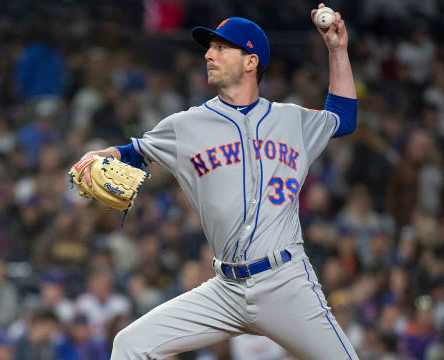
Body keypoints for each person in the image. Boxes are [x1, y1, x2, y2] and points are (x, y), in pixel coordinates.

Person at [72, 4, 359, 359]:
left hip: (285, 282)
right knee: (130, 345)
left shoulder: (292, 120)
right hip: (226, 289)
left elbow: (343, 118)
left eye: (222, 47)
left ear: (251, 61)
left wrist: (337, 49)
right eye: (210, 47)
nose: (209, 54)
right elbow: (134, 151)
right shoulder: (186, 125)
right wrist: (102, 156)